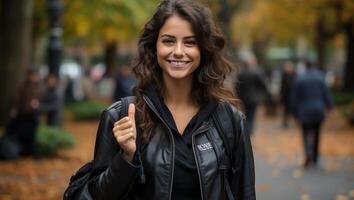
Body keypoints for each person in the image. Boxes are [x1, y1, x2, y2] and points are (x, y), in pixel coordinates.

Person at [84, 0, 255, 199]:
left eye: (190, 42)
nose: (179, 51)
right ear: (154, 46)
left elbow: (245, 193)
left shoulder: (230, 121)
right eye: (168, 41)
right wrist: (126, 158)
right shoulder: (121, 116)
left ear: (204, 49)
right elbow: (97, 196)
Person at [291, 61, 334, 167]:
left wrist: (294, 113)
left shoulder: (300, 78)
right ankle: (315, 156)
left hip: (304, 110)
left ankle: (308, 153)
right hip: (318, 110)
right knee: (317, 133)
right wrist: (330, 107)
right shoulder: (320, 77)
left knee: (305, 133)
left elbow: (294, 97)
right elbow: (326, 93)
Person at [1, 69, 41, 158]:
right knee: (18, 133)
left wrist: (38, 105)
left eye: (34, 75)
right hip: (22, 115)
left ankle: (30, 152)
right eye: (32, 75)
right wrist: (14, 109)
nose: (33, 77)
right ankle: (16, 151)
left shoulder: (39, 87)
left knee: (31, 135)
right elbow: (17, 99)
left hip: (33, 116)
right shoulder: (22, 86)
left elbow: (43, 100)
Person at [236, 58, 270, 136]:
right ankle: (249, 130)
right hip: (253, 98)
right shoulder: (255, 73)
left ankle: (247, 129)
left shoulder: (241, 73)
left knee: (247, 113)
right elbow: (263, 84)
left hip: (243, 97)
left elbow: (237, 86)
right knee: (252, 114)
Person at [280, 61, 296, 128]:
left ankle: (295, 121)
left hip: (293, 95)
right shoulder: (284, 75)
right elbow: (282, 86)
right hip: (286, 96)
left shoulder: (294, 75)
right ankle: (285, 123)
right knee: (286, 110)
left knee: (293, 109)